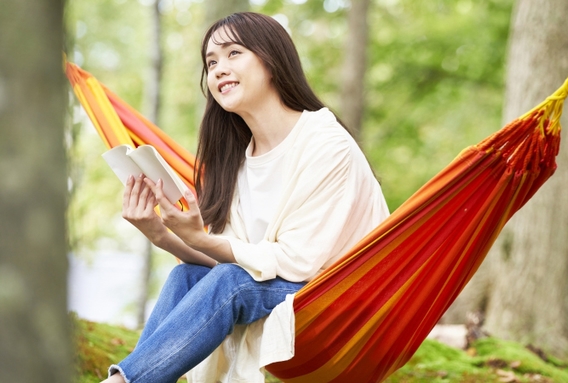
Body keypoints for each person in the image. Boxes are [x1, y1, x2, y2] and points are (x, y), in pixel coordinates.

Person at [102, 12, 389, 383]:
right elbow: (234, 260)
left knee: (229, 280)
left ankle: (123, 381)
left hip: (336, 303)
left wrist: (202, 238)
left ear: (271, 61)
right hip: (271, 290)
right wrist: (161, 235)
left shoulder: (325, 143)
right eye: (211, 62)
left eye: (233, 53)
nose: (219, 69)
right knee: (186, 276)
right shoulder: (237, 159)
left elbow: (295, 263)